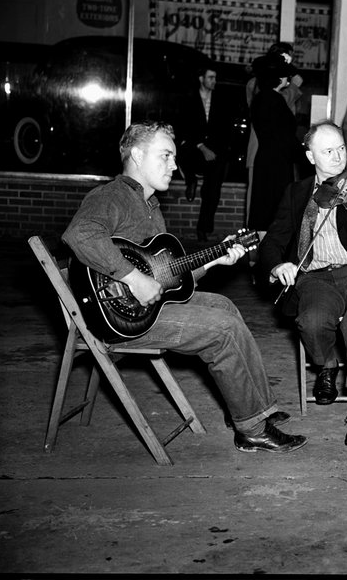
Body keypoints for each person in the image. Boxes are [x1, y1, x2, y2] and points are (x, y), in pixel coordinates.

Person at [62, 121, 307, 455]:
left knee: (225, 308)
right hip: (121, 318)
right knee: (222, 330)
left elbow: (168, 277)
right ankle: (251, 429)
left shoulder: (149, 206)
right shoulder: (110, 196)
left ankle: (253, 408)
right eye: (165, 156)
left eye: (174, 158)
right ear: (136, 154)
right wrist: (133, 278)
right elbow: (80, 234)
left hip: (148, 307)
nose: (175, 166)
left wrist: (215, 260)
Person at [259, 120, 347, 447]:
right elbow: (272, 241)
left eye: (340, 148)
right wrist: (278, 264)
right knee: (310, 322)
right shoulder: (296, 193)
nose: (337, 156)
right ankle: (328, 363)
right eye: (327, 151)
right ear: (310, 156)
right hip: (316, 276)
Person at [246, 53, 305, 235]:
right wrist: (306, 158)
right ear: (278, 78)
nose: (288, 78)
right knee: (275, 212)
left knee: (264, 211)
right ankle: (269, 259)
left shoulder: (261, 98)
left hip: (266, 160)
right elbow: (285, 136)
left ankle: (260, 258)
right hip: (277, 163)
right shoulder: (274, 100)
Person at [177, 66, 232, 242]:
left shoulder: (221, 99)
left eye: (215, 77)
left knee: (213, 189)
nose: (214, 81)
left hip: (214, 151)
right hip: (194, 147)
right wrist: (201, 145)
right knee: (184, 153)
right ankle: (191, 179)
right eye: (210, 78)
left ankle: (204, 228)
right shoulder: (188, 98)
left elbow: (225, 128)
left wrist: (216, 150)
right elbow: (184, 126)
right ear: (201, 79)